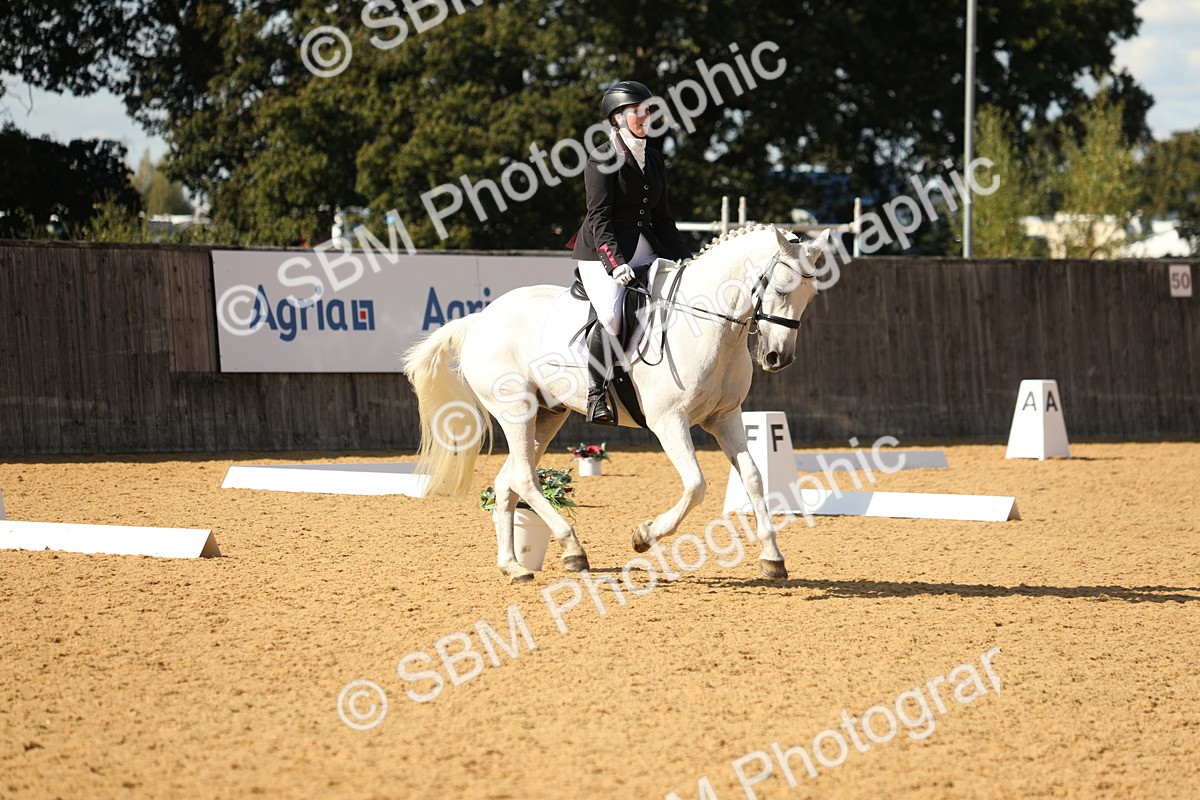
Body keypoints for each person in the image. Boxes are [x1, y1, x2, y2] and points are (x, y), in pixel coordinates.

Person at [569, 80, 693, 425]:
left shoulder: (653, 159)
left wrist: (686, 258)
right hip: (600, 252)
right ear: (617, 118)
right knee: (611, 316)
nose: (645, 116)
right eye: (637, 111)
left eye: (647, 110)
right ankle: (596, 393)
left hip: (646, 247)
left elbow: (662, 218)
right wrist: (615, 264)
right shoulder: (602, 158)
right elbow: (599, 218)